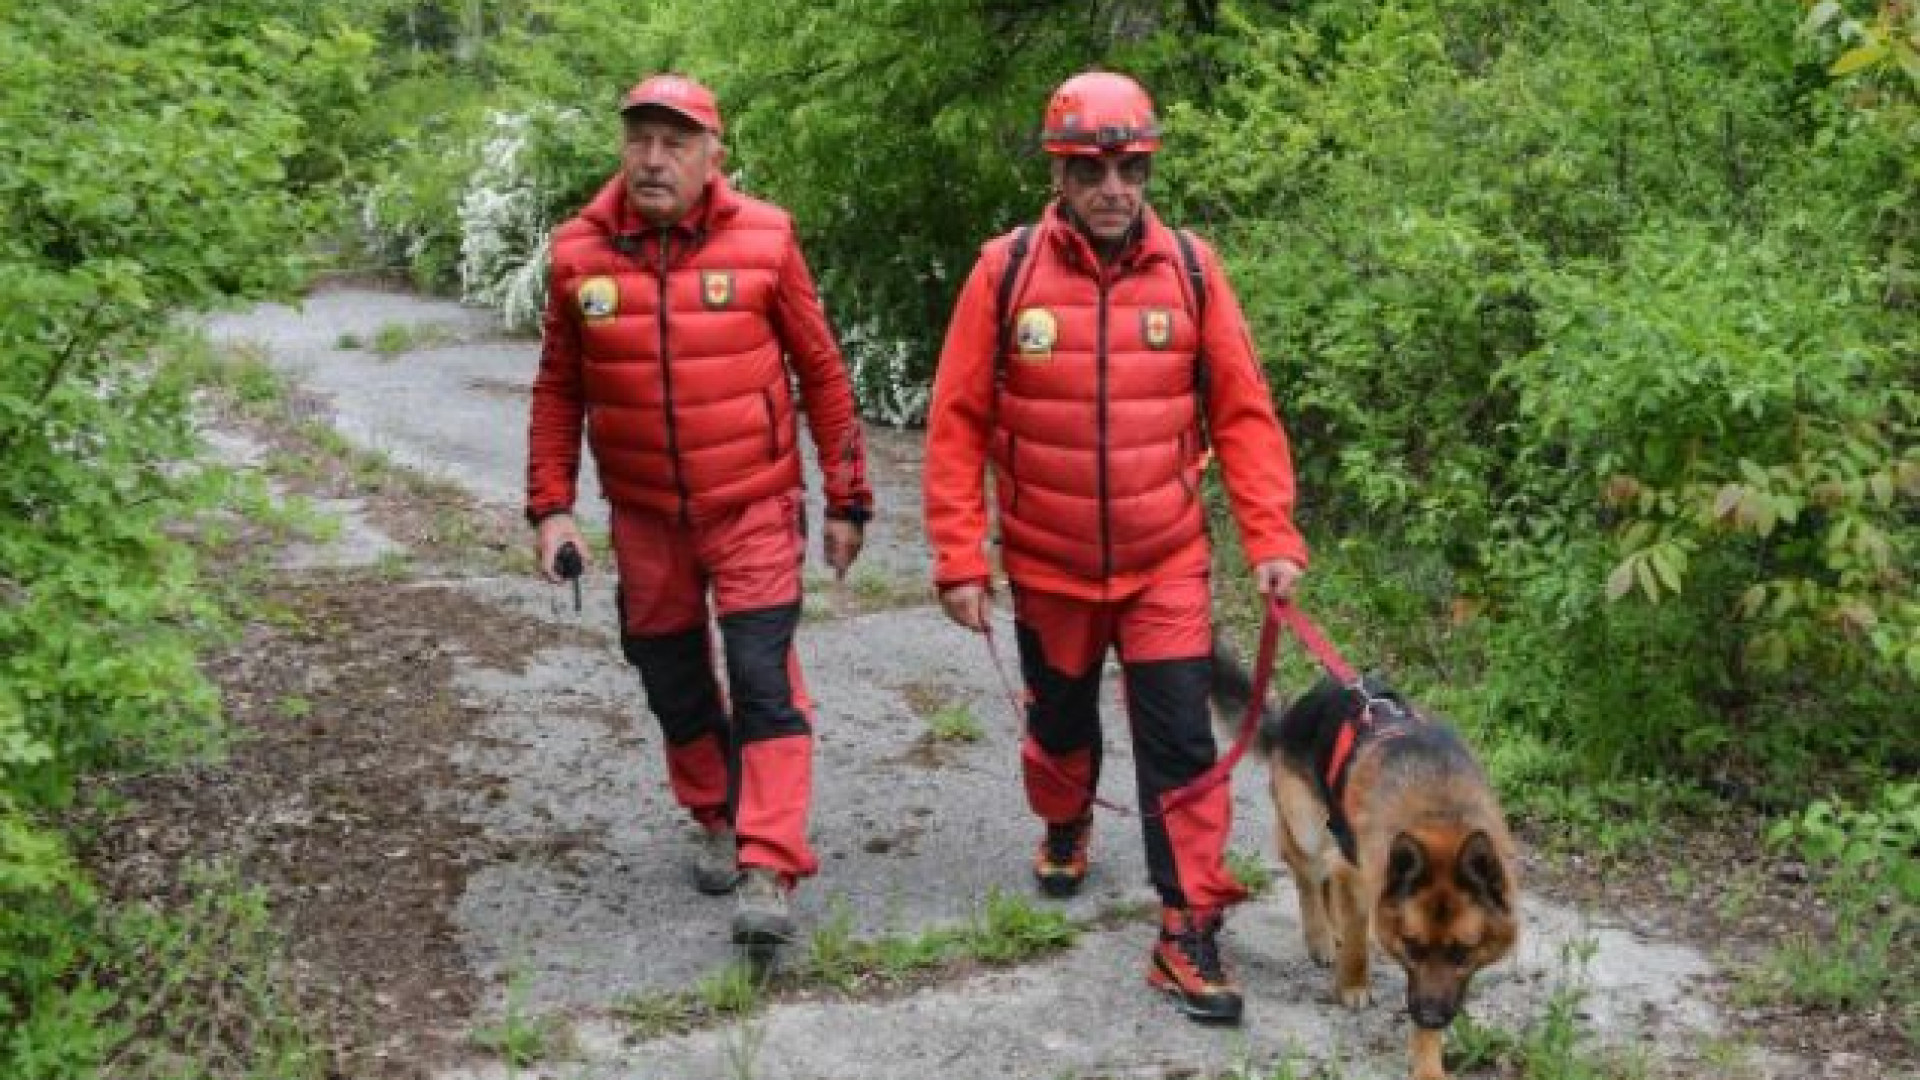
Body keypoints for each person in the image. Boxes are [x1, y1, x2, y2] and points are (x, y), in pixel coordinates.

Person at [922, 70, 1307, 1024]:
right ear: (1059, 172)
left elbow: (1246, 413)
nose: (1113, 187)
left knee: (1179, 742)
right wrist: (960, 554)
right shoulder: (1002, 272)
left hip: (1164, 560)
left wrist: (1270, 531)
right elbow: (957, 422)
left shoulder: (1193, 271)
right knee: (1059, 730)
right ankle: (1064, 821)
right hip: (1048, 564)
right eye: (1093, 168)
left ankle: (1188, 929)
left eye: (1131, 166)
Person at [525, 73, 872, 948]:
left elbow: (822, 372)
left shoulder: (766, 239)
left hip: (752, 504)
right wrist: (550, 509)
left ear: (712, 156)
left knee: (763, 680)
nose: (653, 159)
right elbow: (559, 389)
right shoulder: (577, 253)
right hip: (643, 516)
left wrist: (848, 496)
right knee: (670, 679)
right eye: (639, 138)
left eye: (674, 142)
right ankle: (717, 813)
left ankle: (769, 860)